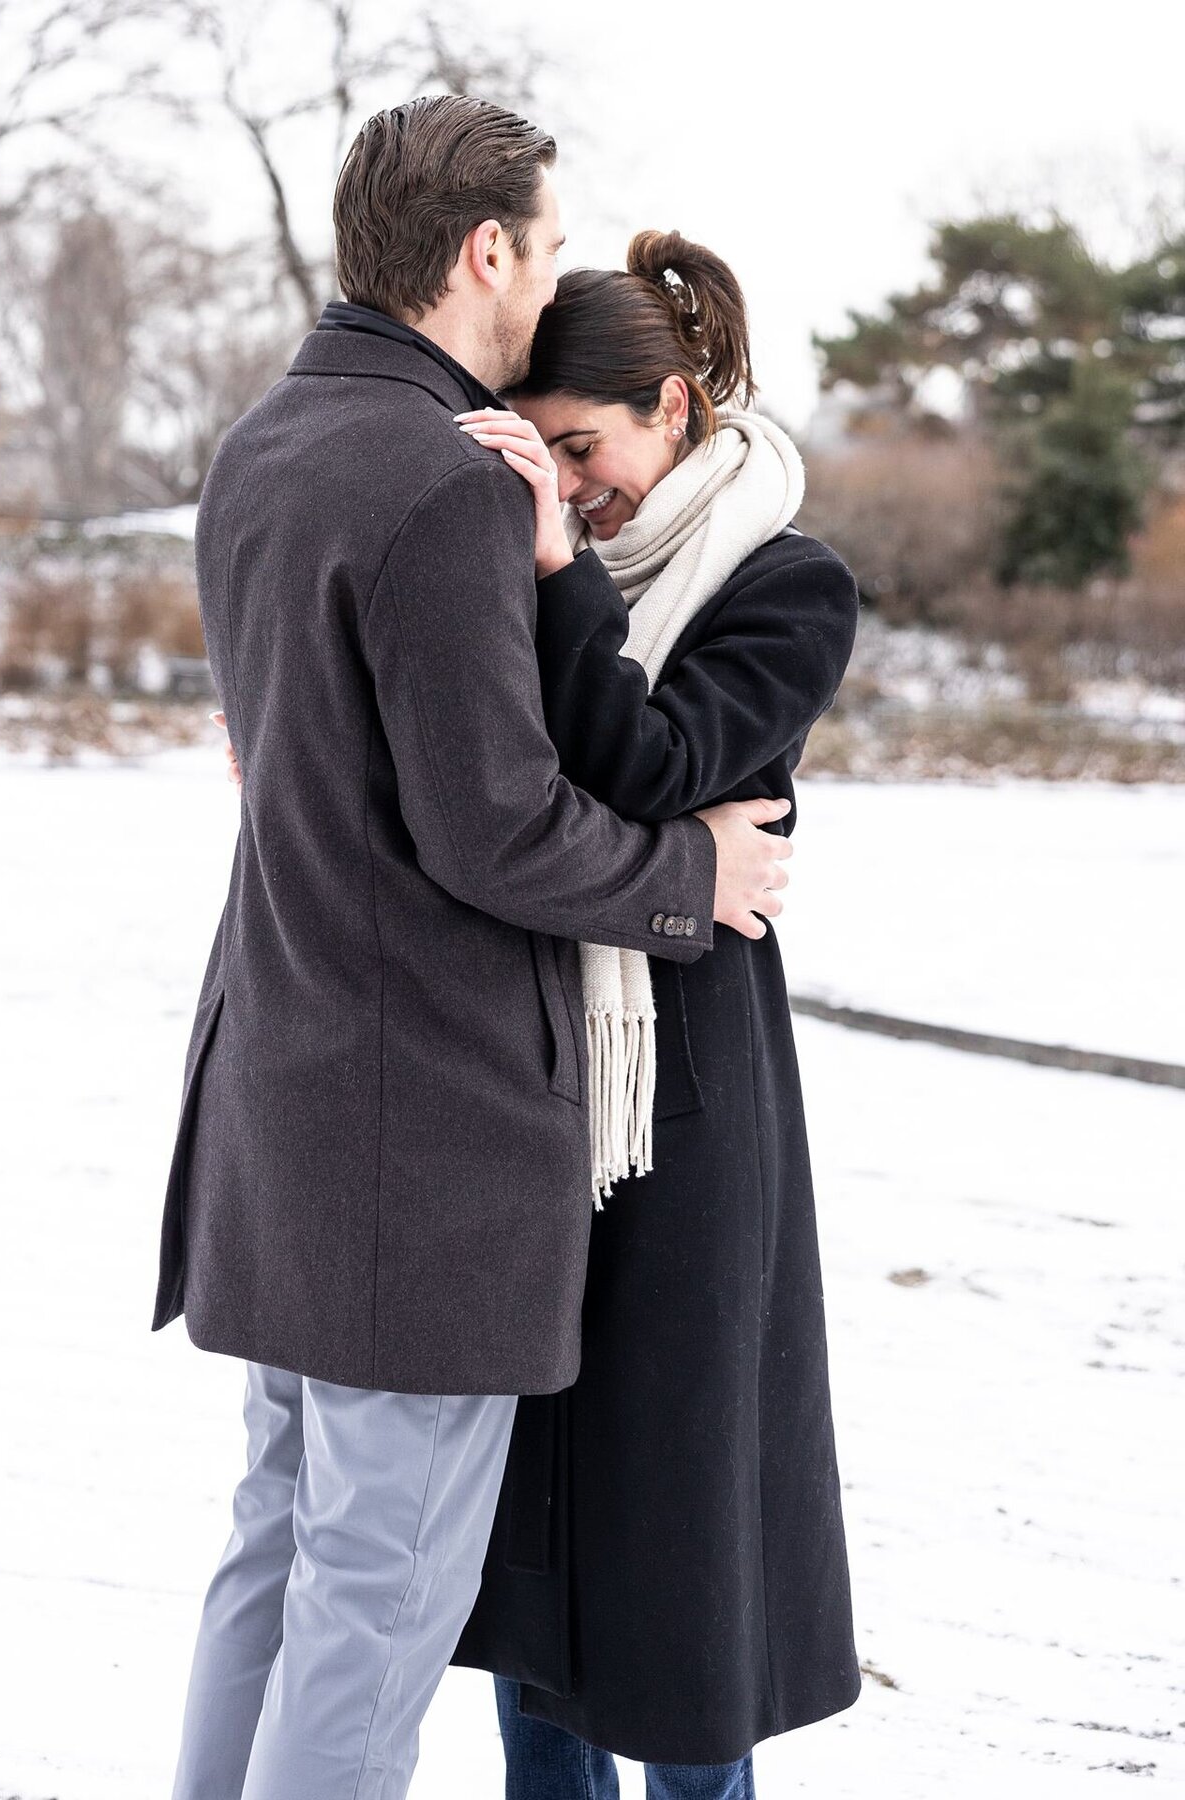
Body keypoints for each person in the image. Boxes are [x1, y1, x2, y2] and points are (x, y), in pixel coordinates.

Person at [152, 98, 794, 1800]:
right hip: (411, 1144)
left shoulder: (264, 445)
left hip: (276, 1097)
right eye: (550, 247)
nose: (555, 279)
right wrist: (691, 873)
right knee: (375, 1594)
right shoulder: (441, 477)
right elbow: (493, 826)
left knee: (275, 1557)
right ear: (485, 251)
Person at [444, 232, 864, 1795]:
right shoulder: (507, 560)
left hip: (690, 1102)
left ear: (674, 407)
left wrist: (554, 577)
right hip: (526, 1069)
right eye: (538, 449)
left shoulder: (783, 581)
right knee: (535, 1531)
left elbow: (652, 765)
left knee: (687, 1539)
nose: (567, 481)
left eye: (586, 447)